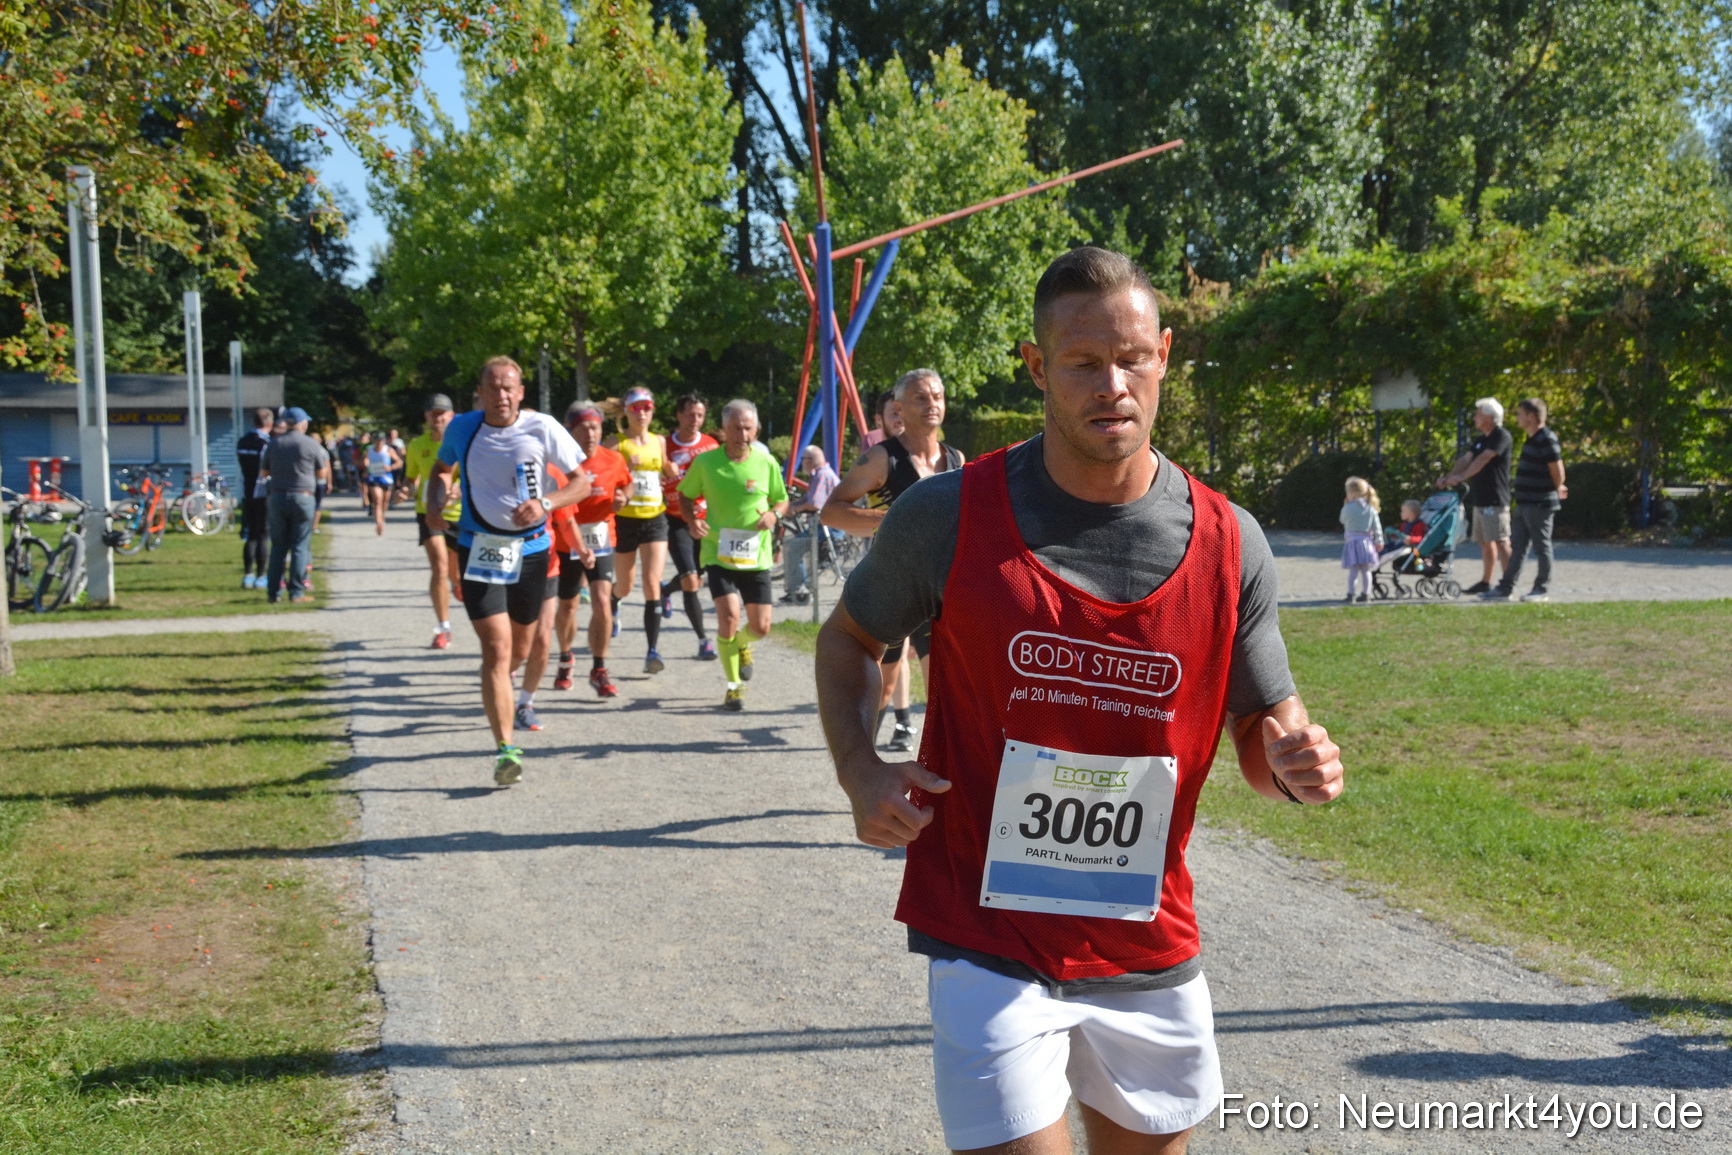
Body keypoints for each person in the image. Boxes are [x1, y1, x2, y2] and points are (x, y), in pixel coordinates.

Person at [815, 247, 1345, 1155]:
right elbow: (849, 641)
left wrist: (1294, 761)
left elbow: (1263, 725)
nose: (1113, 384)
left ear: (1166, 354)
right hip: (988, 932)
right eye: (1082, 362)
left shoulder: (1231, 541)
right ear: (1036, 366)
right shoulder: (946, 515)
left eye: (1133, 358)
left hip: (1147, 937)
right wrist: (861, 769)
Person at [424, 356, 589, 785]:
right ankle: (505, 750)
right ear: (479, 393)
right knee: (496, 652)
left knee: (520, 649)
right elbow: (441, 469)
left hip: (533, 551)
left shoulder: (544, 427)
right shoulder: (462, 427)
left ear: (520, 393)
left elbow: (582, 482)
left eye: (508, 388)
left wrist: (547, 503)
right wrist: (434, 500)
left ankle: (504, 687)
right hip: (479, 548)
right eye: (492, 388)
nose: (500, 395)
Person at [822, 368, 966, 753]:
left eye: (937, 396)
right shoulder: (880, 458)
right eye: (921, 397)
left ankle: (942, 775)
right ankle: (864, 765)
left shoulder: (956, 459)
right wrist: (890, 521)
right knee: (883, 685)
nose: (932, 403)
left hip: (940, 593)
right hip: (893, 586)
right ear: (899, 408)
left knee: (945, 687)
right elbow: (831, 512)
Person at [677, 399, 788, 711]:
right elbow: (685, 495)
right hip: (718, 552)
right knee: (728, 617)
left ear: (756, 430)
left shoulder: (765, 463)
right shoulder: (706, 463)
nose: (743, 433)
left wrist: (774, 516)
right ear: (725, 429)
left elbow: (781, 500)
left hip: (757, 557)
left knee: (761, 627)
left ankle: (742, 644)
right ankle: (734, 686)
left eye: (748, 427)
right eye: (736, 427)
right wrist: (692, 519)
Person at [552, 401, 631, 697]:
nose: (590, 434)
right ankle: (565, 656)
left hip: (601, 538)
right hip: (566, 541)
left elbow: (628, 484)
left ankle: (599, 667)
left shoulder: (613, 459)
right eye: (583, 428)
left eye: (595, 427)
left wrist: (623, 496)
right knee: (568, 606)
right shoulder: (559, 463)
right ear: (569, 431)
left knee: (601, 600)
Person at [611, 386, 673, 674]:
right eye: (637, 408)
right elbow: (602, 473)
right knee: (624, 585)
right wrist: (623, 466)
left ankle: (652, 651)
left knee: (652, 582)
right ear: (627, 411)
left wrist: (670, 468)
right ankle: (614, 601)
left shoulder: (659, 441)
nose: (643, 413)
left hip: (655, 518)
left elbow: (664, 468)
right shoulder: (617, 442)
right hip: (625, 520)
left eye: (647, 407)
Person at [658, 394, 720, 660]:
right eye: (690, 414)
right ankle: (704, 640)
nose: (695, 420)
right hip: (674, 519)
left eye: (700, 415)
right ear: (679, 416)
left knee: (698, 575)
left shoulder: (710, 445)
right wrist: (662, 472)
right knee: (690, 580)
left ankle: (665, 590)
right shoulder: (664, 446)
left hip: (706, 520)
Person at [1489, 397, 1568, 603]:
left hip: (1539, 503)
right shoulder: (1531, 439)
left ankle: (1541, 589)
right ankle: (1506, 588)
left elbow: (1557, 470)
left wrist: (1556, 487)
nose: (1517, 418)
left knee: (1541, 547)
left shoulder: (1547, 439)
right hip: (1524, 503)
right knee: (1518, 547)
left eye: (1520, 414)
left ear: (1531, 417)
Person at [1435, 398, 1512, 594]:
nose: (1474, 417)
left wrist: (1461, 477)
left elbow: (1484, 459)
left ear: (1489, 417)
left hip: (1496, 499)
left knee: (1501, 541)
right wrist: (1450, 477)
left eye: (1478, 414)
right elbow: (1466, 459)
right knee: (1485, 541)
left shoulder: (1501, 436)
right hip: (1481, 498)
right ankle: (1485, 582)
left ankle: (1508, 583)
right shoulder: (1481, 439)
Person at [403, 394, 461, 649]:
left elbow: (471, 476)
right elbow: (411, 479)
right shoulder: (416, 445)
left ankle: (457, 585)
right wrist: (405, 490)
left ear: (451, 416)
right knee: (439, 567)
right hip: (428, 512)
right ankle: (443, 627)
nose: (438, 418)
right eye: (433, 414)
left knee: (455, 573)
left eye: (443, 414)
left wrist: (458, 489)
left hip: (459, 515)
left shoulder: (460, 442)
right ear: (426, 417)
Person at [259, 407, 329, 604]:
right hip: (303, 497)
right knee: (299, 546)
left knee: (278, 546)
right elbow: (322, 474)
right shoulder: (311, 444)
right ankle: (296, 592)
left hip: (278, 497)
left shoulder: (273, 444)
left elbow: (264, 473)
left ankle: (273, 593)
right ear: (302, 424)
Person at [780, 444, 842, 604]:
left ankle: (801, 590)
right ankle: (798, 587)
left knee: (793, 547)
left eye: (803, 459)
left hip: (829, 528)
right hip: (825, 525)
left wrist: (796, 509)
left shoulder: (822, 475)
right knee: (795, 545)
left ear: (811, 460)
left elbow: (815, 504)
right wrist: (793, 506)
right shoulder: (818, 474)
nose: (802, 463)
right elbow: (809, 499)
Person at [235, 406, 273, 589]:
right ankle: (260, 576)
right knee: (262, 535)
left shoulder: (243, 441)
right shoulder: (266, 443)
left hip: (246, 491)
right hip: (262, 492)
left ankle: (247, 574)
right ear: (270, 423)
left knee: (250, 535)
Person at [1339, 476, 1381, 603]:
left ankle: (1351, 594)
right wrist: (1379, 540)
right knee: (1366, 570)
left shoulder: (1348, 507)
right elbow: (1377, 526)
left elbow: (1342, 520)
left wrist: (1345, 505)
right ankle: (1366, 594)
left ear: (1351, 492)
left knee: (1354, 571)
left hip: (1352, 543)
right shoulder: (1370, 508)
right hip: (1367, 543)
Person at [363, 430, 402, 536]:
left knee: (385, 502)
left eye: (381, 440)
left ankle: (382, 517)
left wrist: (390, 467)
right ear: (373, 441)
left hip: (386, 479)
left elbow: (399, 462)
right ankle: (379, 523)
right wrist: (366, 466)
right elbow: (365, 460)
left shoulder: (388, 450)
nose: (379, 442)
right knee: (378, 501)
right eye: (377, 440)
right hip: (374, 479)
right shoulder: (369, 450)